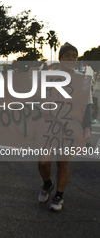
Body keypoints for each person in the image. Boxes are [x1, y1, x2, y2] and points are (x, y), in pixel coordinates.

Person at [37, 42, 92, 211]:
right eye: (67, 55)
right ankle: (47, 184)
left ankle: (59, 196)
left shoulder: (82, 80)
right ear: (60, 58)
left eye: (74, 56)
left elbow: (88, 104)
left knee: (62, 162)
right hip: (50, 125)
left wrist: (87, 127)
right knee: (43, 161)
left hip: (70, 126)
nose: (71, 59)